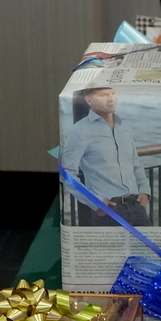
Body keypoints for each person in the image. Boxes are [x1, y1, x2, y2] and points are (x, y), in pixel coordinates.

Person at [60, 87, 152, 226]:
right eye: (103, 95)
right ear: (89, 100)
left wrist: (145, 190)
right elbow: (67, 173)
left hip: (137, 206)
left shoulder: (123, 126)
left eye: (113, 93)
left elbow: (135, 163)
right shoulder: (78, 131)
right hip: (109, 209)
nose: (111, 98)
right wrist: (95, 202)